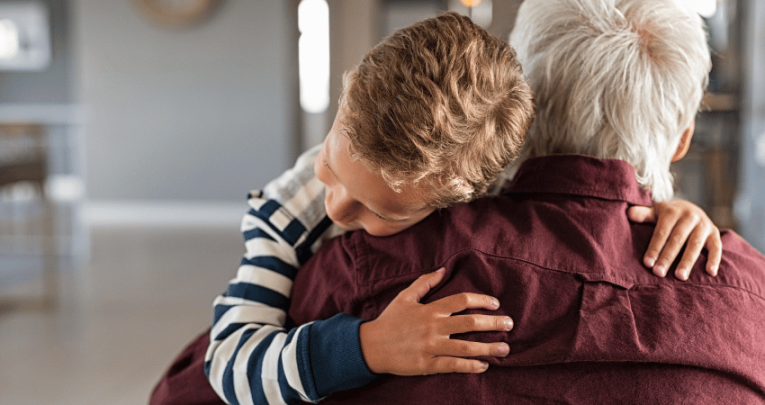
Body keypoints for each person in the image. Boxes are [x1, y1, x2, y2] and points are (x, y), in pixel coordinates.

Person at [149, 10, 724, 405]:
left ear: (465, 201)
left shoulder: (485, 183)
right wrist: (367, 347)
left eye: (381, 213)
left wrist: (670, 206)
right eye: (330, 163)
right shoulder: (283, 218)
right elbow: (228, 364)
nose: (336, 207)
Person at [283, 0, 765, 403]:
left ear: (517, 112)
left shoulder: (368, 266)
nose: (339, 208)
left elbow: (220, 376)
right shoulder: (750, 293)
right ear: (681, 140)